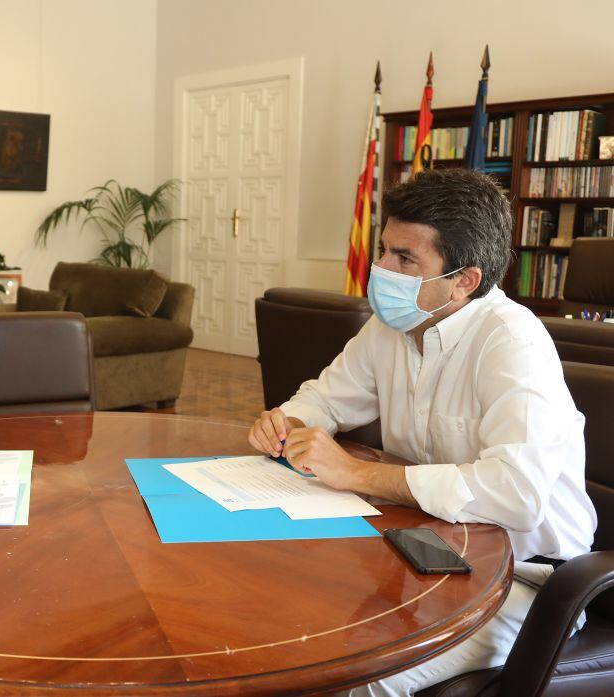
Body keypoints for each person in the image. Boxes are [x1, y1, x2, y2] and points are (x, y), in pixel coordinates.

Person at [248, 168, 595, 696]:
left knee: (361, 678)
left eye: (405, 259)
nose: (381, 268)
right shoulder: (392, 326)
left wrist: (353, 472)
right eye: (384, 249)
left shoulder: (512, 342)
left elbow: (516, 495)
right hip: (422, 552)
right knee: (285, 624)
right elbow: (325, 398)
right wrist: (288, 423)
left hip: (529, 581)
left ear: (464, 280)